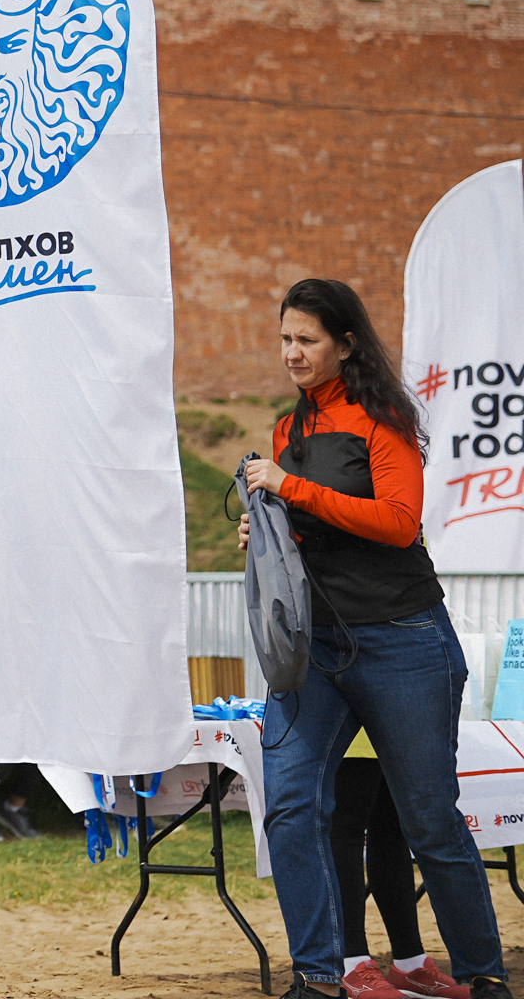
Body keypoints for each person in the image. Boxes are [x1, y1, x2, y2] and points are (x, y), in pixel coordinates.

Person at [237, 279, 511, 999]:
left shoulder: (382, 419)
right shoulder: (287, 429)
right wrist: (266, 531)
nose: (291, 353)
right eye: (286, 338)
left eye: (307, 340)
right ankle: (320, 976)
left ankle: (483, 973)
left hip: (403, 640)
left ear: (345, 343)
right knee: (292, 805)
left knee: (429, 821)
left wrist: (291, 493)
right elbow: (309, 530)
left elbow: (396, 522)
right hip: (315, 648)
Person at [330, 737, 468, 998]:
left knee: (392, 829)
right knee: (347, 827)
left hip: (393, 722)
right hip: (347, 724)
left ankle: (410, 964)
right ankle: (350, 964)